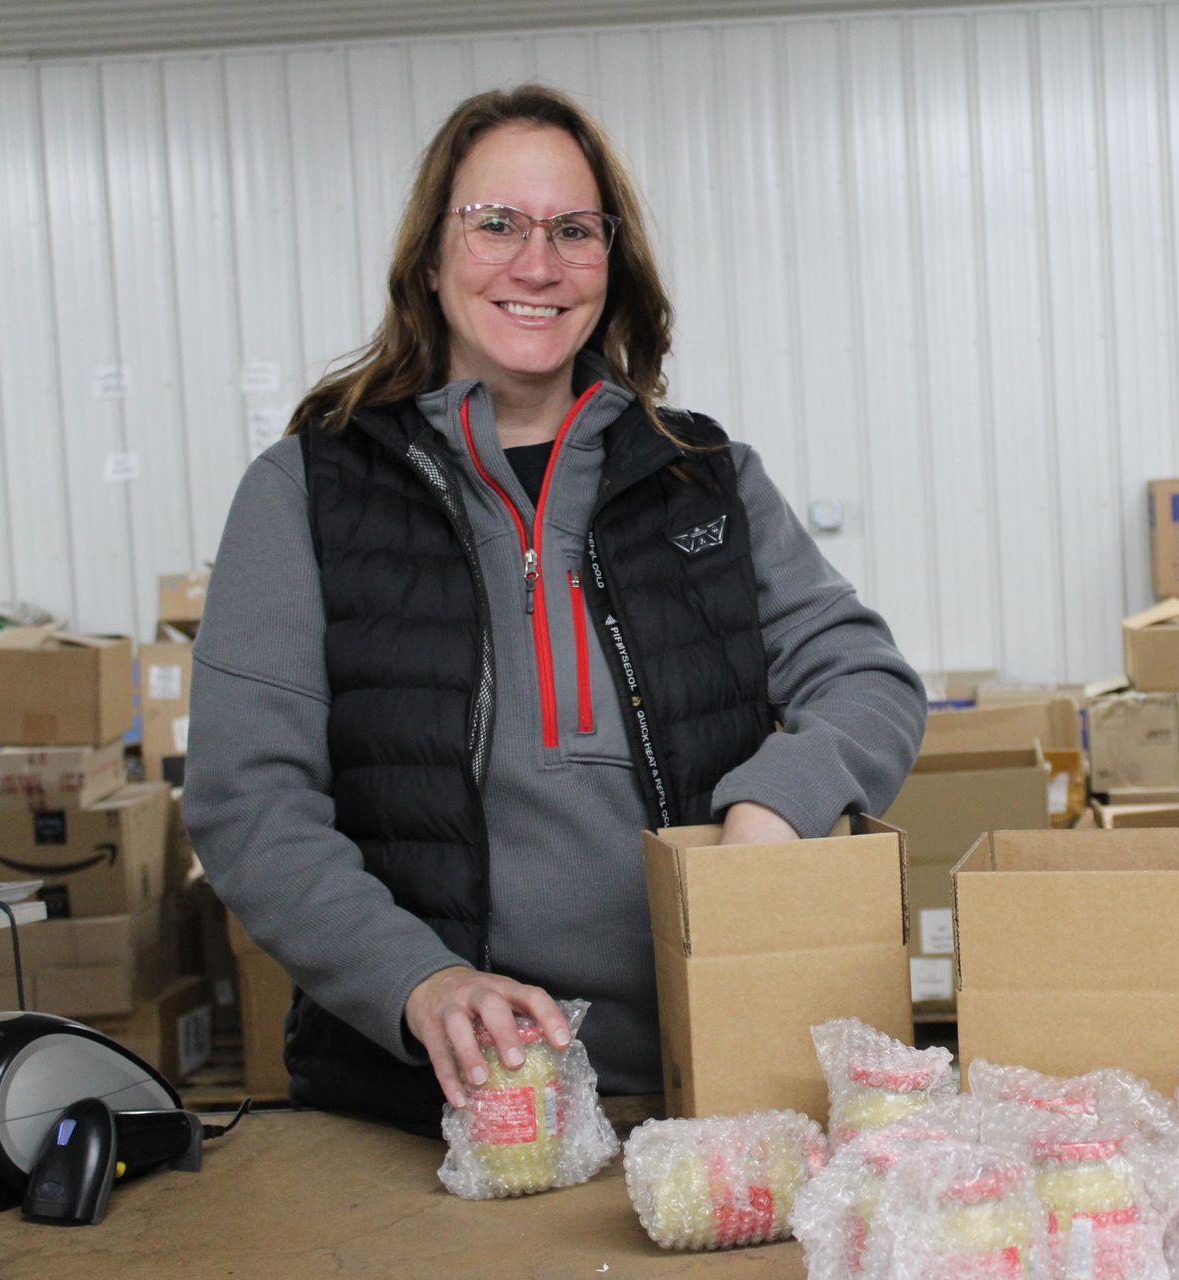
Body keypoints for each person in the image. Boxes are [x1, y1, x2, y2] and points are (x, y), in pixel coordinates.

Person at [183, 84, 926, 1133]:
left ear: (610, 264)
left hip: (708, 1092)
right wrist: (421, 982)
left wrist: (777, 801)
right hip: (431, 1111)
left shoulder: (702, 479)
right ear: (430, 259)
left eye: (574, 230)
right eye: (496, 224)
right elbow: (247, 802)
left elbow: (868, 677)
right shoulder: (308, 490)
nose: (537, 265)